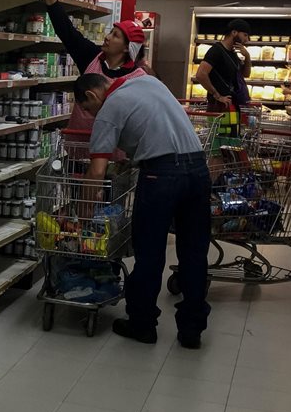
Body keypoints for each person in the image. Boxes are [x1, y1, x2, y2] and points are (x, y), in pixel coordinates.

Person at [75, 72, 212, 348]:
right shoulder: (148, 82)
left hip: (160, 176)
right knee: (195, 253)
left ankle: (142, 324)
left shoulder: (109, 108)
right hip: (198, 170)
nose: (92, 115)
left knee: (149, 254)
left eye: (88, 110)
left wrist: (84, 215)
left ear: (91, 95)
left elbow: (97, 170)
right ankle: (191, 330)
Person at [33, 0, 147, 132]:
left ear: (127, 48)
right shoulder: (92, 57)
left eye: (115, 36)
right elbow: (66, 31)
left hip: (114, 149)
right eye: (110, 32)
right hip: (78, 144)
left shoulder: (139, 78)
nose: (107, 37)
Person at [195, 19, 252, 115]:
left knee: (232, 130)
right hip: (219, 107)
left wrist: (247, 56)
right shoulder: (216, 51)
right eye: (245, 35)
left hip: (231, 105)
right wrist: (217, 95)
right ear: (234, 32)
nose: (246, 40)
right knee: (221, 130)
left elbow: (246, 74)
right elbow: (200, 74)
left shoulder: (233, 53)